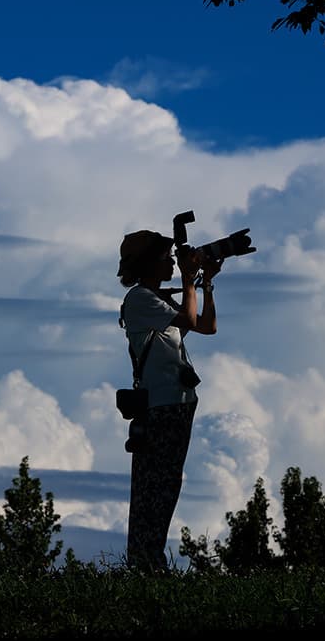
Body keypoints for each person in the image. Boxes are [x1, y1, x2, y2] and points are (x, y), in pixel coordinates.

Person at [116, 229, 222, 571]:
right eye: (166, 258)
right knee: (154, 487)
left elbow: (207, 326)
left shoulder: (157, 301)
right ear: (148, 263)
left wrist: (205, 285)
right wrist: (190, 278)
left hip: (177, 404)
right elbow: (191, 320)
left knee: (167, 485)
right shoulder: (140, 300)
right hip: (161, 406)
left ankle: (150, 561)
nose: (172, 264)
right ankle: (146, 562)